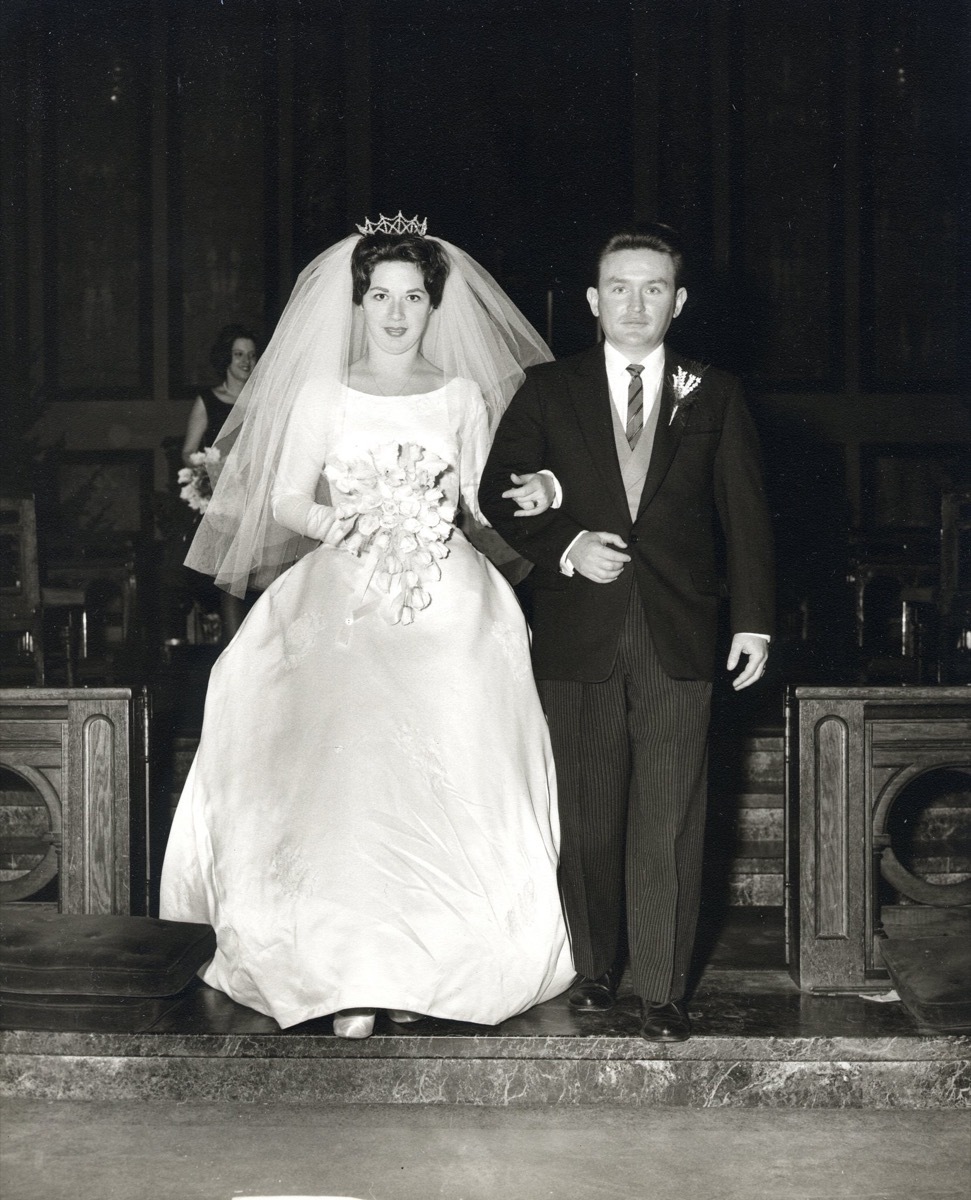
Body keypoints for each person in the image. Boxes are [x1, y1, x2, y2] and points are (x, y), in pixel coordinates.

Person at [159, 216, 574, 1037]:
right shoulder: (323, 392)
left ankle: (432, 967)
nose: (394, 313)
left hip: (444, 599)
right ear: (357, 303)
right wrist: (347, 522)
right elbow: (283, 499)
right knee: (348, 776)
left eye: (411, 297)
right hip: (345, 590)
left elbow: (482, 499)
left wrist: (546, 498)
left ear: (433, 304)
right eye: (379, 295)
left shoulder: (459, 395)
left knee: (445, 770)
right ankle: (347, 971)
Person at [478, 222, 774, 1042]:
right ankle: (597, 964)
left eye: (652, 289)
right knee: (591, 808)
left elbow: (744, 516)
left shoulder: (715, 391)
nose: (634, 304)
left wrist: (752, 621)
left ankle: (663, 987)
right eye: (618, 287)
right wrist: (567, 545)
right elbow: (497, 490)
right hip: (579, 632)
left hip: (683, 629)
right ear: (591, 300)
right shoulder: (546, 389)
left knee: (670, 815)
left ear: (677, 302)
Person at [181, 324, 260, 641]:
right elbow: (188, 451)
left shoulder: (261, 402)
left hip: (256, 503)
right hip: (223, 506)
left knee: (254, 585)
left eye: (252, 356)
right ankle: (231, 656)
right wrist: (212, 471)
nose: (246, 362)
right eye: (239, 354)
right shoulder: (208, 400)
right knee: (229, 581)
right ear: (225, 359)